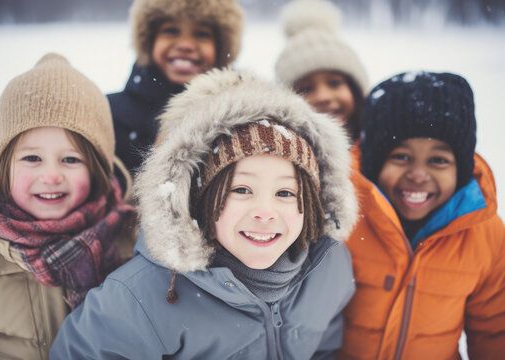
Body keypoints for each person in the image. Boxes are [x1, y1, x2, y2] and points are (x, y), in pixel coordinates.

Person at [50, 68, 359, 359]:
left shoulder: (328, 268)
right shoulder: (141, 297)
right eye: (241, 190)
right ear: (199, 198)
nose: (265, 212)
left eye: (285, 193)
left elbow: (324, 350)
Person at [0, 53, 137, 360]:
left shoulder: (132, 236)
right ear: (1, 166)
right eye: (32, 158)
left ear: (97, 170)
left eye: (70, 159)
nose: (51, 176)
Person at [339, 71, 505, 359]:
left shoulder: (484, 233)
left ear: (461, 170)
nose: (417, 175)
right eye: (401, 157)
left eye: (438, 160)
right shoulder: (345, 215)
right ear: (375, 164)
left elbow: (494, 329)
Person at [108, 0, 244, 175]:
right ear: (148, 41)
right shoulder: (111, 114)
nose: (185, 45)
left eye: (201, 34)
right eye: (171, 31)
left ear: (221, 48)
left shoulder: (239, 116)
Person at [275, 0, 369, 144]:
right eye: (306, 89)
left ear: (355, 88)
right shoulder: (287, 158)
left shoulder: (378, 150)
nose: (323, 97)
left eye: (334, 83)